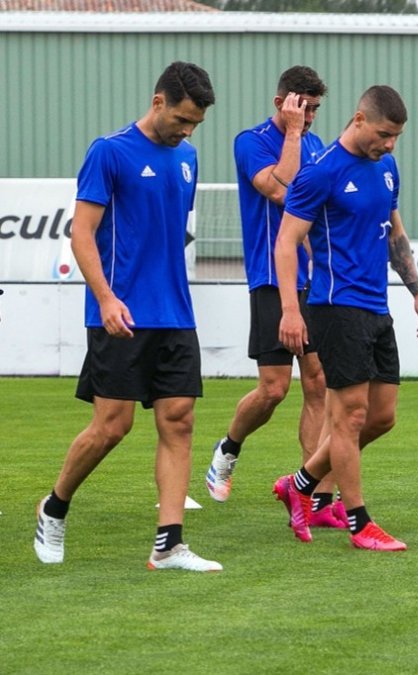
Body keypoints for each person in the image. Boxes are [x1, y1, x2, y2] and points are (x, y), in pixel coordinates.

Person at [34, 62, 221, 571]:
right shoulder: (109, 151)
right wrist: (107, 298)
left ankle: (169, 543)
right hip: (119, 314)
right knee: (111, 427)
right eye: (182, 119)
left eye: (195, 124)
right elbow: (82, 234)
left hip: (176, 314)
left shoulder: (188, 158)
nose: (187, 130)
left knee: (179, 422)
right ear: (158, 102)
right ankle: (54, 506)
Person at [271, 85, 418, 551]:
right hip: (334, 306)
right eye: (385, 134)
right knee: (349, 416)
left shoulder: (386, 168)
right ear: (359, 119)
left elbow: (394, 235)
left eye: (397, 137)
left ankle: (299, 484)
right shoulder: (319, 174)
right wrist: (289, 310)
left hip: (376, 307)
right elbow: (286, 243)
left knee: (382, 417)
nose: (391, 145)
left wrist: (417, 292)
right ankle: (359, 522)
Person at [206, 66, 347, 528]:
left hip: (314, 283)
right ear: (282, 103)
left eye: (315, 110)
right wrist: (290, 133)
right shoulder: (252, 141)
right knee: (273, 389)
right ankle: (229, 447)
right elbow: (279, 188)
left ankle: (316, 498)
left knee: (319, 384)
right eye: (302, 107)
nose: (308, 118)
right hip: (271, 278)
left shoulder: (316, 145)